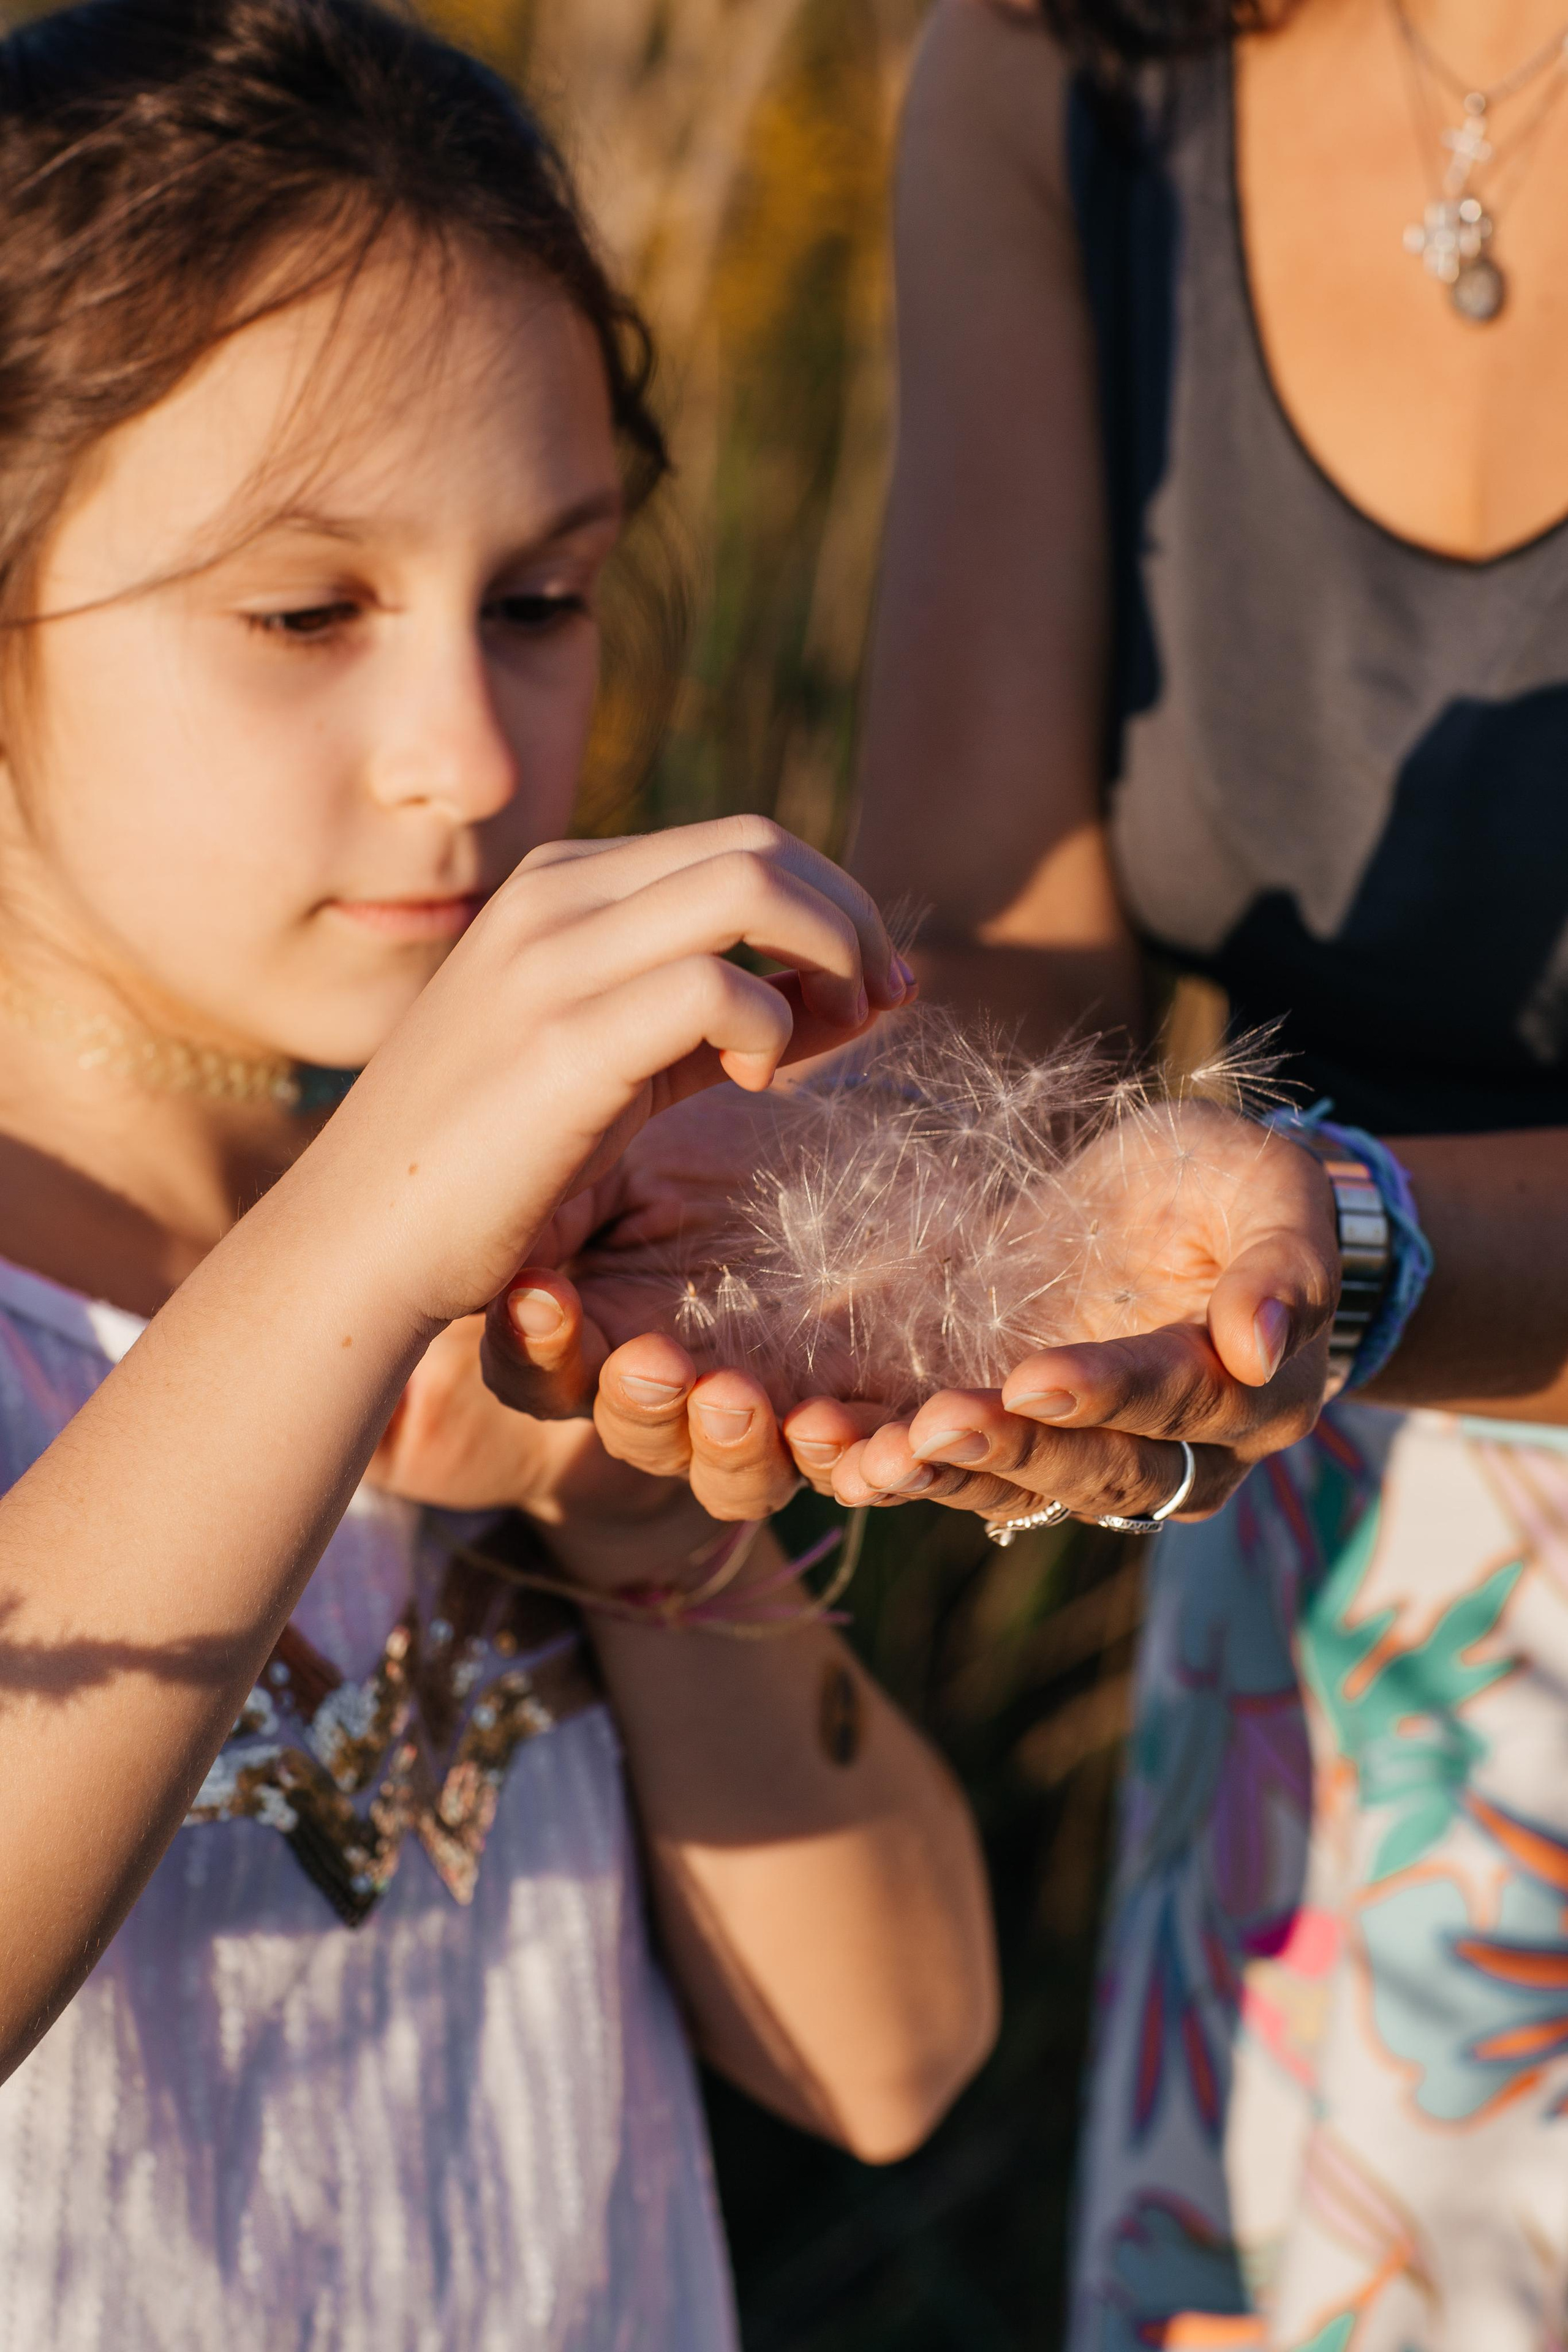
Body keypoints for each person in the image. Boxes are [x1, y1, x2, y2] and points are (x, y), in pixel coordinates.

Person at [0, 2, 1000, 2343]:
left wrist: (649, 1516)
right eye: (303, 611)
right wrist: (354, 1243)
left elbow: (899, 2053)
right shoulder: (387, 1234)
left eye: (541, 604)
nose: (465, 755)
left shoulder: (529, 1263)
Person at [799, 0, 1568, 2342]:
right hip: (1328, 1624)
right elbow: (993, 977)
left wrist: (1350, 1246)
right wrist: (782, 1205)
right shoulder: (1065, 85)